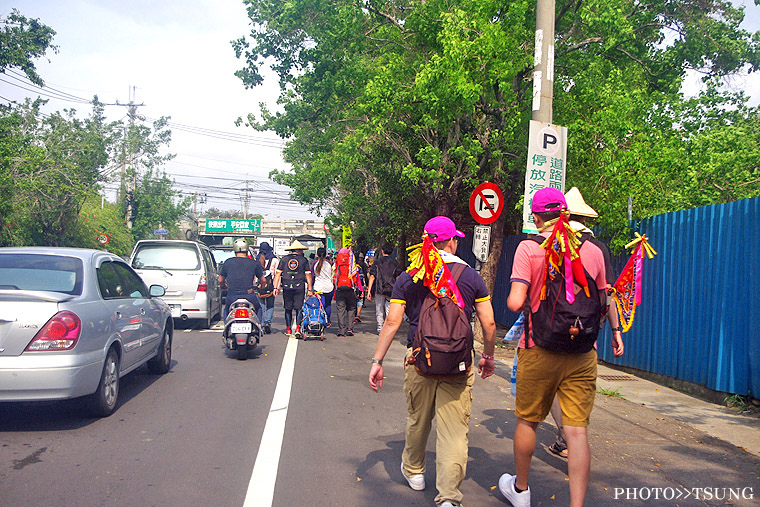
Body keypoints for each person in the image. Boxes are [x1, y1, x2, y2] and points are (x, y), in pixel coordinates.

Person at [498, 187, 624, 507]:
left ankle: (521, 491)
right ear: (566, 214)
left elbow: (514, 303)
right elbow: (604, 298)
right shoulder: (594, 251)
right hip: (582, 351)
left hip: (538, 348)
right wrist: (617, 332)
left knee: (528, 421)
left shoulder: (530, 249)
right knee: (577, 432)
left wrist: (529, 294)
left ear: (537, 217)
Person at [368, 216, 497, 507]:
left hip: (419, 358)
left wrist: (377, 361)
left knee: (419, 418)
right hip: (459, 362)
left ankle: (415, 472)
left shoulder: (409, 277)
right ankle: (449, 497)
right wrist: (488, 356)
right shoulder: (471, 277)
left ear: (426, 241)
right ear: (452, 241)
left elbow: (392, 321)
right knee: (454, 430)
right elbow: (488, 323)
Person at [547, 187, 620, 459]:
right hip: (588, 331)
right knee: (578, 383)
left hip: (551, 330)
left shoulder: (549, 242)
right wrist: (615, 330)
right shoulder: (599, 248)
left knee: (554, 385)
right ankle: (573, 433)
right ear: (586, 219)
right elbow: (607, 294)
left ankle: (564, 434)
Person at [272, 240, 314, 338]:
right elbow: (308, 275)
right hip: (299, 286)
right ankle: (298, 329)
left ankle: (288, 328)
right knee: (299, 307)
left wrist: (275, 287)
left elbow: (277, 274)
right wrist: (310, 289)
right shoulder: (304, 260)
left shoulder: (284, 259)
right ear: (299, 250)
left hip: (287, 286)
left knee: (288, 308)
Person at [218, 238, 264, 322]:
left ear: (235, 250)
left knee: (226, 310)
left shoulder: (228, 262)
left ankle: (226, 328)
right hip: (249, 295)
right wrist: (262, 285)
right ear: (247, 250)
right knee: (259, 308)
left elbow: (220, 280)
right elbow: (263, 280)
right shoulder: (254, 263)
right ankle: (260, 326)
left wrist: (223, 286)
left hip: (232, 295)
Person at [366, 242, 402, 333]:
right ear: (392, 251)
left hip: (379, 289)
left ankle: (380, 328)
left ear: (382, 251)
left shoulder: (377, 262)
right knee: (389, 310)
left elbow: (372, 277)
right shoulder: (395, 263)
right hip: (392, 289)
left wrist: (369, 290)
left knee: (379, 309)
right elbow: (398, 277)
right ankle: (388, 328)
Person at [333, 247, 361, 336]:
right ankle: (350, 328)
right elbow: (356, 276)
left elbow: (334, 275)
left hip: (340, 288)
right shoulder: (351, 262)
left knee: (340, 310)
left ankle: (341, 331)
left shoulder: (337, 263)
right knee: (351, 308)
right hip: (350, 288)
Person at [256, 242, 278, 334]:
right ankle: (267, 322)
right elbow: (278, 275)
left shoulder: (257, 259)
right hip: (270, 286)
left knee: (261, 306)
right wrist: (277, 287)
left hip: (260, 286)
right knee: (270, 305)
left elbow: (255, 275)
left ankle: (261, 324)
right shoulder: (274, 260)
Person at [311, 246, 334, 327]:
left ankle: (320, 321)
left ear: (317, 254)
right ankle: (327, 321)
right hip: (329, 288)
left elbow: (312, 276)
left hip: (318, 288)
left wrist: (310, 288)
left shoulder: (315, 264)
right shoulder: (330, 263)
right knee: (328, 305)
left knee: (320, 305)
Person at [354, 252, 369, 323]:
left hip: (352, 285)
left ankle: (352, 315)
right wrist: (367, 285)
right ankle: (358, 314)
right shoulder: (362, 265)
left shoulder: (350, 265)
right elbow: (364, 275)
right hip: (360, 284)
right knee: (360, 300)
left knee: (353, 300)